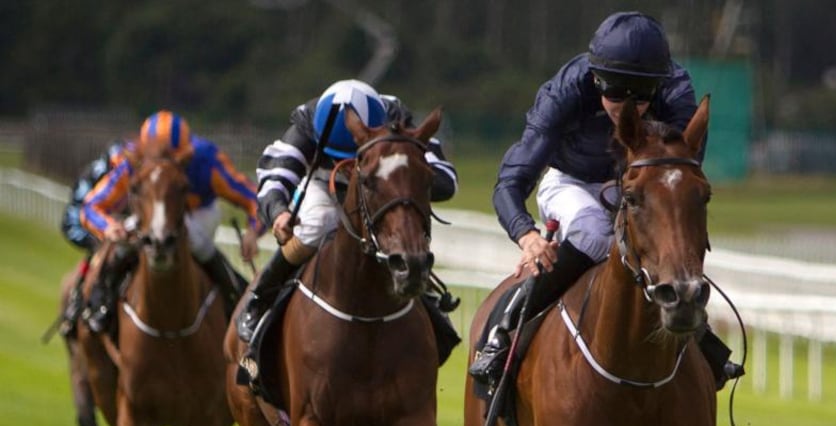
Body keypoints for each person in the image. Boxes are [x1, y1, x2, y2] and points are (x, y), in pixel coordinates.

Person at [468, 11, 743, 389]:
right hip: (571, 182)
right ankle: (505, 329)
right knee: (595, 231)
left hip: (638, 184)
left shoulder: (675, 88)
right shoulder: (565, 92)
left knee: (657, 244)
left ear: (658, 84)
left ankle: (697, 331)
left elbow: (681, 174)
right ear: (595, 79)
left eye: (642, 95)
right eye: (614, 92)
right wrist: (527, 235)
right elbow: (511, 182)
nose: (627, 104)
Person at [235, 79, 460, 360]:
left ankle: (428, 302)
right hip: (323, 185)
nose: (349, 165)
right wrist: (278, 212)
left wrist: (407, 179)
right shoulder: (309, 122)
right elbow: (275, 175)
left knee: (400, 230)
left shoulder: (395, 117)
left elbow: (446, 178)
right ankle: (260, 297)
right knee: (320, 222)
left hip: (381, 184)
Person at [80, 110, 261, 333]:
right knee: (124, 242)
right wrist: (109, 227)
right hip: (150, 215)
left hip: (198, 213)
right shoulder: (133, 161)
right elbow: (90, 206)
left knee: (195, 238)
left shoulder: (208, 161)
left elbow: (254, 198)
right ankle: (102, 300)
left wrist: (253, 232)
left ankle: (236, 297)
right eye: (155, 160)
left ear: (185, 155)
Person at [57, 139, 130, 336]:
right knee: (106, 252)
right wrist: (107, 230)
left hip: (113, 223)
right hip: (81, 225)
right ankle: (87, 304)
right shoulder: (93, 175)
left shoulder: (131, 173)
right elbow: (77, 216)